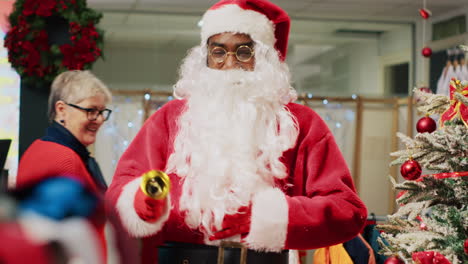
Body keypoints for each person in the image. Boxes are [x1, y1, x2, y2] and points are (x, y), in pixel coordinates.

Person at [106, 0, 368, 263]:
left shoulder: (300, 123)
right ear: (205, 56)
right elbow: (119, 192)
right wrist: (142, 204)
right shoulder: (170, 118)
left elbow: (347, 211)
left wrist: (265, 216)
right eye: (218, 51)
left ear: (263, 57)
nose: (230, 63)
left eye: (243, 51)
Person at [15, 70, 112, 263]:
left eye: (102, 112)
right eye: (91, 111)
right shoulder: (62, 158)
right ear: (61, 110)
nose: (99, 119)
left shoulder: (49, 149)